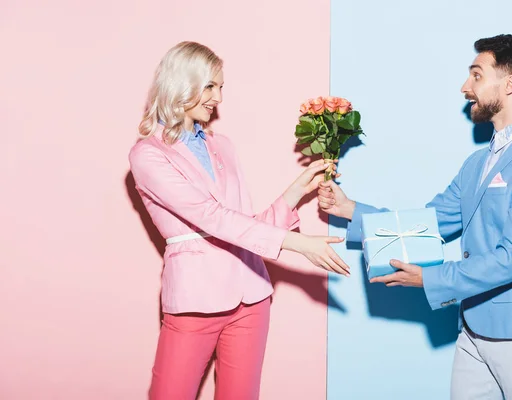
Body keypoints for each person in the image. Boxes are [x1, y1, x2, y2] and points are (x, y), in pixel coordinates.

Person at [318, 34, 512, 400]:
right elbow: (429, 222)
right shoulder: (476, 164)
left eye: (477, 75)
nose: (465, 86)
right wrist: (351, 210)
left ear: (510, 84)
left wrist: (431, 278)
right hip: (472, 329)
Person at [129, 41, 350, 400]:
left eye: (220, 87)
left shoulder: (223, 145)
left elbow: (244, 225)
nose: (218, 97)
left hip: (252, 296)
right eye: (210, 86)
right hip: (195, 301)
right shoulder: (148, 155)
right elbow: (211, 218)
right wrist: (298, 245)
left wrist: (295, 190)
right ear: (182, 83)